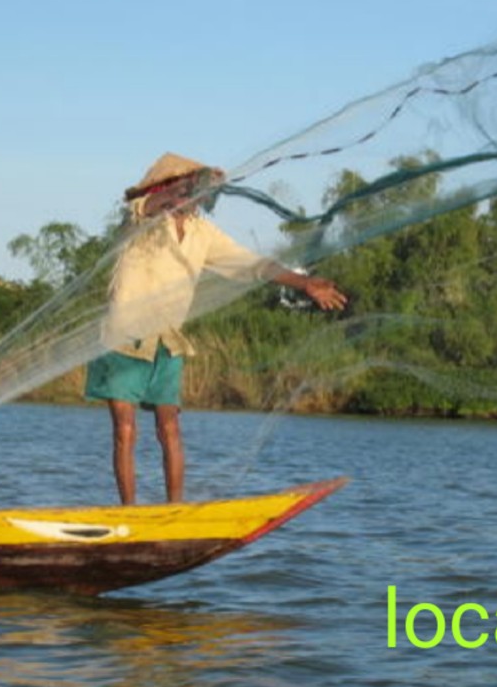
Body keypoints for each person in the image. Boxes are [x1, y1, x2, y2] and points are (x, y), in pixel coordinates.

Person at [86, 152, 347, 505]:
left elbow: (252, 265)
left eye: (197, 187)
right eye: (186, 185)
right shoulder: (141, 217)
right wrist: (179, 191)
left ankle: (174, 510)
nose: (197, 195)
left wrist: (304, 284)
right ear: (167, 186)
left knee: (170, 429)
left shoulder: (202, 232)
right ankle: (128, 512)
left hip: (168, 339)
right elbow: (153, 205)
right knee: (125, 430)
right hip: (123, 336)